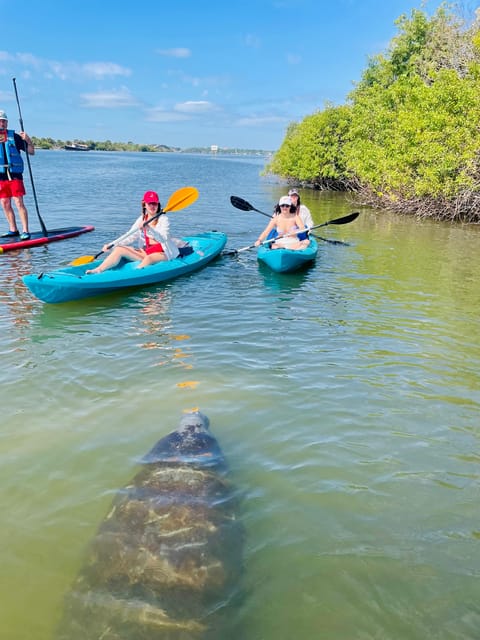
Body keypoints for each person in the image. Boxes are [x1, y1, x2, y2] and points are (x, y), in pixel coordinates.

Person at [86, 190, 180, 274]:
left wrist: (149, 229)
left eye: (154, 203)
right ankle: (98, 270)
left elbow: (163, 238)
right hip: (147, 251)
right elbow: (130, 236)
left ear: (158, 204)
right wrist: (111, 245)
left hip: (164, 253)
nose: (152, 206)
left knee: (149, 259)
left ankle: (134, 274)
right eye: (149, 203)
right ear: (144, 204)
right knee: (119, 249)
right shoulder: (142, 219)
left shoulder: (164, 219)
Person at [0, 109, 35, 240]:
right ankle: (13, 229)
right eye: (0, 121)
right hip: (1, 176)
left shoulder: (14, 137)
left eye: (4, 121)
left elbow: (31, 152)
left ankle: (25, 230)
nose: (2, 124)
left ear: (7, 123)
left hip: (14, 175)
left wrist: (28, 140)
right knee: (5, 203)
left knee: (18, 202)